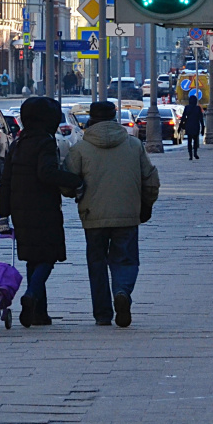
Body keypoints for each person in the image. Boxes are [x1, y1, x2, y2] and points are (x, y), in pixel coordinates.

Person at [65, 100, 160, 327]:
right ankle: (122, 292)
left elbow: (67, 184)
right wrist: (146, 205)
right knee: (125, 260)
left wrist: (76, 193)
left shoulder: (79, 149)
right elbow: (151, 180)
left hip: (92, 214)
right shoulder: (134, 145)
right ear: (114, 118)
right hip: (127, 213)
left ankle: (102, 314)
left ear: (91, 120)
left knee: (96, 264)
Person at [0, 96, 81, 328]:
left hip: (20, 211)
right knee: (47, 257)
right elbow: (47, 173)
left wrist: (3, 215)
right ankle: (31, 295)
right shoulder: (45, 141)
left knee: (33, 259)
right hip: (43, 208)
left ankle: (39, 314)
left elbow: (6, 181)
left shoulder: (18, 143)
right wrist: (75, 180)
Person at [180, 94, 204, 159]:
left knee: (189, 141)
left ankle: (190, 155)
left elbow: (183, 117)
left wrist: (180, 127)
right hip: (196, 125)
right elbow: (201, 119)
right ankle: (195, 153)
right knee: (195, 140)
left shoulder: (187, 107)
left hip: (189, 125)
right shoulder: (198, 108)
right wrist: (203, 129)